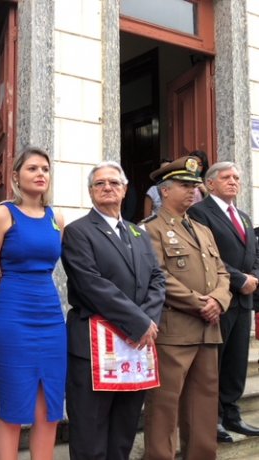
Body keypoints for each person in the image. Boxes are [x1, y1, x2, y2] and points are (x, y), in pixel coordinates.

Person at [61, 160, 165, 460]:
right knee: (90, 429)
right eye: (100, 184)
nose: (107, 188)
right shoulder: (79, 232)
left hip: (135, 346)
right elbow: (91, 283)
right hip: (94, 344)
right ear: (91, 191)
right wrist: (139, 321)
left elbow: (158, 279)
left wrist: (148, 320)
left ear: (125, 190)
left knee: (124, 428)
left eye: (114, 183)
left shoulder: (137, 233)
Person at [142, 156, 231, 459]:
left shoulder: (203, 230)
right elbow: (158, 276)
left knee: (204, 407)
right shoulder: (150, 229)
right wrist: (199, 303)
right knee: (165, 407)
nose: (192, 190)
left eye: (194, 185)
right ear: (164, 191)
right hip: (175, 330)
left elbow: (222, 272)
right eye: (184, 185)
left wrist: (218, 300)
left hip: (208, 329)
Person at [0, 147, 66, 459]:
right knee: (14, 405)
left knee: (50, 405)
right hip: (13, 315)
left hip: (51, 316)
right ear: (16, 176)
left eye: (45, 168)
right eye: (32, 169)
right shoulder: (3, 213)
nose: (41, 174)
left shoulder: (56, 217)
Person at [187, 161, 259, 442]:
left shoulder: (241, 215)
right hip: (218, 298)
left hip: (243, 301)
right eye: (226, 177)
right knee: (213, 362)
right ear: (210, 184)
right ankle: (212, 417)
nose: (233, 181)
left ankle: (232, 413)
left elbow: (253, 251)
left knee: (237, 361)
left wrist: (253, 276)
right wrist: (239, 280)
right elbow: (207, 256)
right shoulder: (199, 213)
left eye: (237, 177)